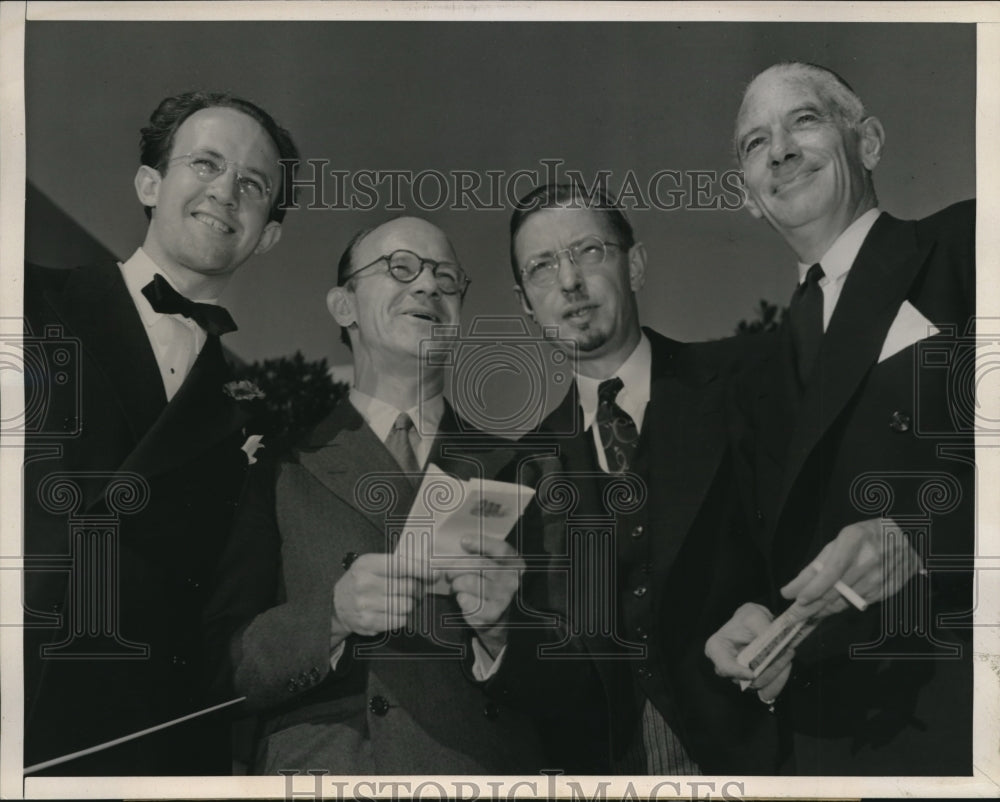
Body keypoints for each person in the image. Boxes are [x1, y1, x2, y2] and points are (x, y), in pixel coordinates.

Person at [705, 62, 975, 775]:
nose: (781, 151)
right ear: (747, 194)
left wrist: (924, 535)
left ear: (872, 141)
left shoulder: (973, 245)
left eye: (804, 120)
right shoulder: (750, 378)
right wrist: (746, 622)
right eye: (754, 142)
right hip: (823, 751)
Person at [205, 216, 546, 774]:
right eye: (401, 268)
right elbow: (222, 665)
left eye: (446, 276)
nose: (428, 286)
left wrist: (502, 633)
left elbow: (588, 676)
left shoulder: (525, 468)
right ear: (344, 307)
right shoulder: (278, 468)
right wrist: (331, 618)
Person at [22, 90, 299, 775]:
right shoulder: (22, 300)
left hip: (151, 739)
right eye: (204, 164)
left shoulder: (259, 412)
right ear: (150, 182)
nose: (225, 192)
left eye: (253, 184)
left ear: (267, 233)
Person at [489, 183, 779, 774]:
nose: (568, 281)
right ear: (527, 304)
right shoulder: (523, 473)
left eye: (588, 252)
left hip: (766, 751)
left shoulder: (749, 380)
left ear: (636, 264)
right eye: (541, 268)